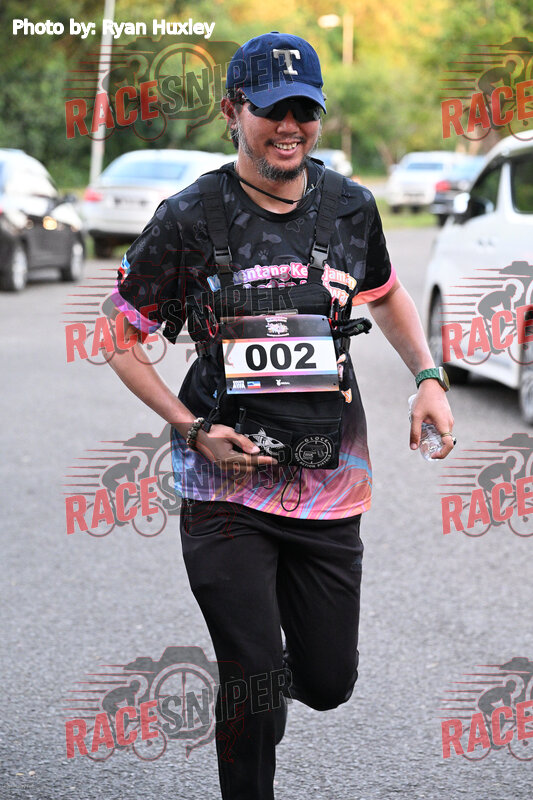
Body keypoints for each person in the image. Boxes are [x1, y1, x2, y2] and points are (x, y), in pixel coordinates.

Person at [105, 31, 454, 800]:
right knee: (253, 679)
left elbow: (385, 292)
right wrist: (192, 430)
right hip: (222, 489)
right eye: (271, 109)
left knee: (327, 681)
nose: (289, 126)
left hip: (328, 486)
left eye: (304, 110)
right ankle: (252, 701)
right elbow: (120, 338)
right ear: (232, 111)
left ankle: (265, 685)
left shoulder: (350, 206)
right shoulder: (188, 217)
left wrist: (427, 377)